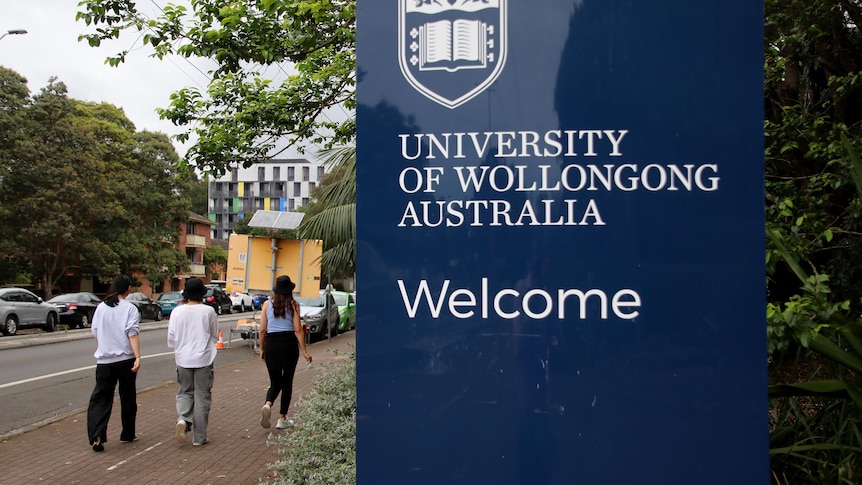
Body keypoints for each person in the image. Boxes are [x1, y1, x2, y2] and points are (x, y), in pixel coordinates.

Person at [86, 274, 141, 452]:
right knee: (127, 396)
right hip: (125, 359)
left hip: (104, 360)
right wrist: (137, 356)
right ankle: (128, 433)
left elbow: (95, 331)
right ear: (128, 289)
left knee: (101, 398)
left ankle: (97, 434)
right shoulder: (130, 308)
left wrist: (104, 346)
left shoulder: (101, 307)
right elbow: (132, 333)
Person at [167, 278, 220, 446]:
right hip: (203, 359)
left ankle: (183, 419)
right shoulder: (208, 311)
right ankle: (199, 437)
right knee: (202, 396)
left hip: (182, 359)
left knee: (185, 392)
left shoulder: (176, 312)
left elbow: (171, 338)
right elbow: (215, 333)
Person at [259, 275, 312, 429]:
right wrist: (304, 351)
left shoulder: (267, 304)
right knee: (287, 382)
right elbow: (298, 329)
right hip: (289, 345)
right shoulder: (294, 305)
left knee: (275, 382)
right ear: (290, 290)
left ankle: (268, 404)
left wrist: (262, 348)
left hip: (272, 345)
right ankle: (282, 419)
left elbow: (262, 330)